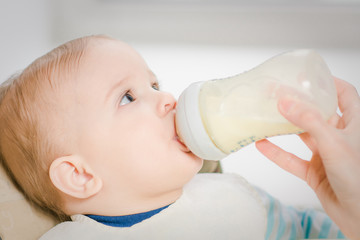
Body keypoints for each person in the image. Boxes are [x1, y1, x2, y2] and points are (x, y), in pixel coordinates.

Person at [0, 35, 358, 239]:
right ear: (80, 175)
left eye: (154, 84)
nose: (168, 97)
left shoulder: (232, 198)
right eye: (128, 96)